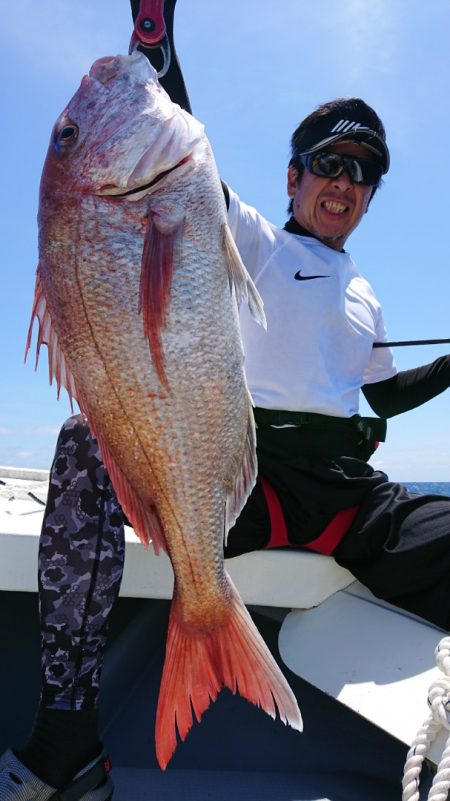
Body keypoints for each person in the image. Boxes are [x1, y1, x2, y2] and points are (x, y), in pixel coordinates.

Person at [2, 1, 450, 798]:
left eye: (362, 170)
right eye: (328, 162)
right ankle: (65, 734)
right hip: (250, 481)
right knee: (84, 445)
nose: (343, 181)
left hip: (354, 497)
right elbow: (169, 141)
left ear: (373, 193)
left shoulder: (366, 296)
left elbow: (383, 392)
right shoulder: (242, 229)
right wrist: (155, 40)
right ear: (294, 177)